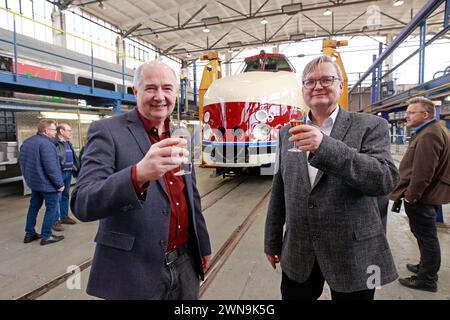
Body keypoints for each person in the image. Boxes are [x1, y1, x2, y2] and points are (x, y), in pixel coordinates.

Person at [71, 61, 212, 300]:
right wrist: (138, 175)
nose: (160, 96)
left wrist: (203, 246)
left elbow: (191, 197)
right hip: (134, 269)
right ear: (135, 91)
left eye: (167, 89)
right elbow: (83, 202)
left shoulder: (179, 134)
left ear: (175, 94)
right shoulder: (107, 131)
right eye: (150, 88)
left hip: (185, 263)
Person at [264, 56, 399, 300]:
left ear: (341, 86)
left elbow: (384, 179)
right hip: (300, 250)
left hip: (353, 251)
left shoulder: (371, 126)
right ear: (303, 90)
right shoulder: (288, 132)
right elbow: (279, 189)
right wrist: (272, 242)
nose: (317, 86)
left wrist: (324, 146)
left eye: (326, 79)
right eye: (310, 82)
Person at [390, 96, 450, 293]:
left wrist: (411, 197)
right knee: (424, 236)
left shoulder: (429, 135)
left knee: (427, 237)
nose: (406, 116)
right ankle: (425, 267)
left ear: (425, 115)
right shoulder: (431, 130)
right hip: (425, 196)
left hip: (422, 197)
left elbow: (423, 172)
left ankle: (427, 279)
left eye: (411, 112)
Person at [19, 120, 65, 246]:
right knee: (52, 208)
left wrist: (29, 180)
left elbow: (22, 163)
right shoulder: (46, 144)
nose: (55, 132)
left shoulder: (27, 142)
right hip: (48, 185)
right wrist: (59, 184)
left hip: (34, 183)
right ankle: (46, 236)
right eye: (54, 130)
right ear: (46, 131)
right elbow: (51, 168)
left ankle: (29, 234)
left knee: (33, 207)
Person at [53, 123, 80, 231]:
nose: (71, 132)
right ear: (61, 132)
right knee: (56, 197)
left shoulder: (67, 143)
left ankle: (64, 217)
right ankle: (55, 221)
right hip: (59, 173)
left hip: (68, 172)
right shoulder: (54, 144)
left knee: (65, 196)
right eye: (68, 130)